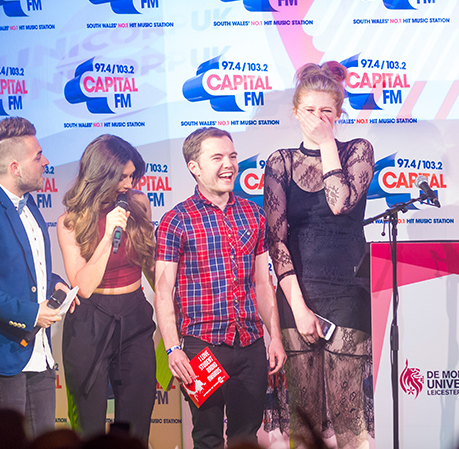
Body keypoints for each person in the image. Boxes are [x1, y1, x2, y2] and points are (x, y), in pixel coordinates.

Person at [263, 61, 375, 449]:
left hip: (347, 292)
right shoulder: (280, 162)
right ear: (296, 112)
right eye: (310, 110)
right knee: (304, 418)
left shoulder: (357, 151)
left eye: (326, 111)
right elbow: (276, 241)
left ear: (338, 114)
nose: (317, 118)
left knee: (348, 414)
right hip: (299, 294)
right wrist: (298, 307)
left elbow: (340, 202)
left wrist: (327, 144)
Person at [154, 127, 287, 449]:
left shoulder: (253, 214)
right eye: (217, 157)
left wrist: (276, 337)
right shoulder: (176, 220)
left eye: (232, 156)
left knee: (246, 438)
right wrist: (172, 348)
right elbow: (163, 291)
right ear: (194, 167)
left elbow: (262, 283)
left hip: (251, 345)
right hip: (202, 348)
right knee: (207, 438)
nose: (228, 164)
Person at [0, 117, 72, 437]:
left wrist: (54, 282)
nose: (45, 162)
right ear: (15, 167)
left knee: (43, 441)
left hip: (40, 352)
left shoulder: (28, 204)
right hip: (3, 352)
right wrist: (32, 313)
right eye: (38, 156)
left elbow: (26, 266)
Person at [57, 135, 156, 441]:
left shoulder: (139, 204)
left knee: (135, 424)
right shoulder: (71, 222)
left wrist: (172, 309)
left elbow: (150, 264)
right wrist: (107, 235)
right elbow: (84, 286)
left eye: (132, 176)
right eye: (121, 177)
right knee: (88, 425)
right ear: (100, 175)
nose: (128, 185)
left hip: (134, 315)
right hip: (90, 321)